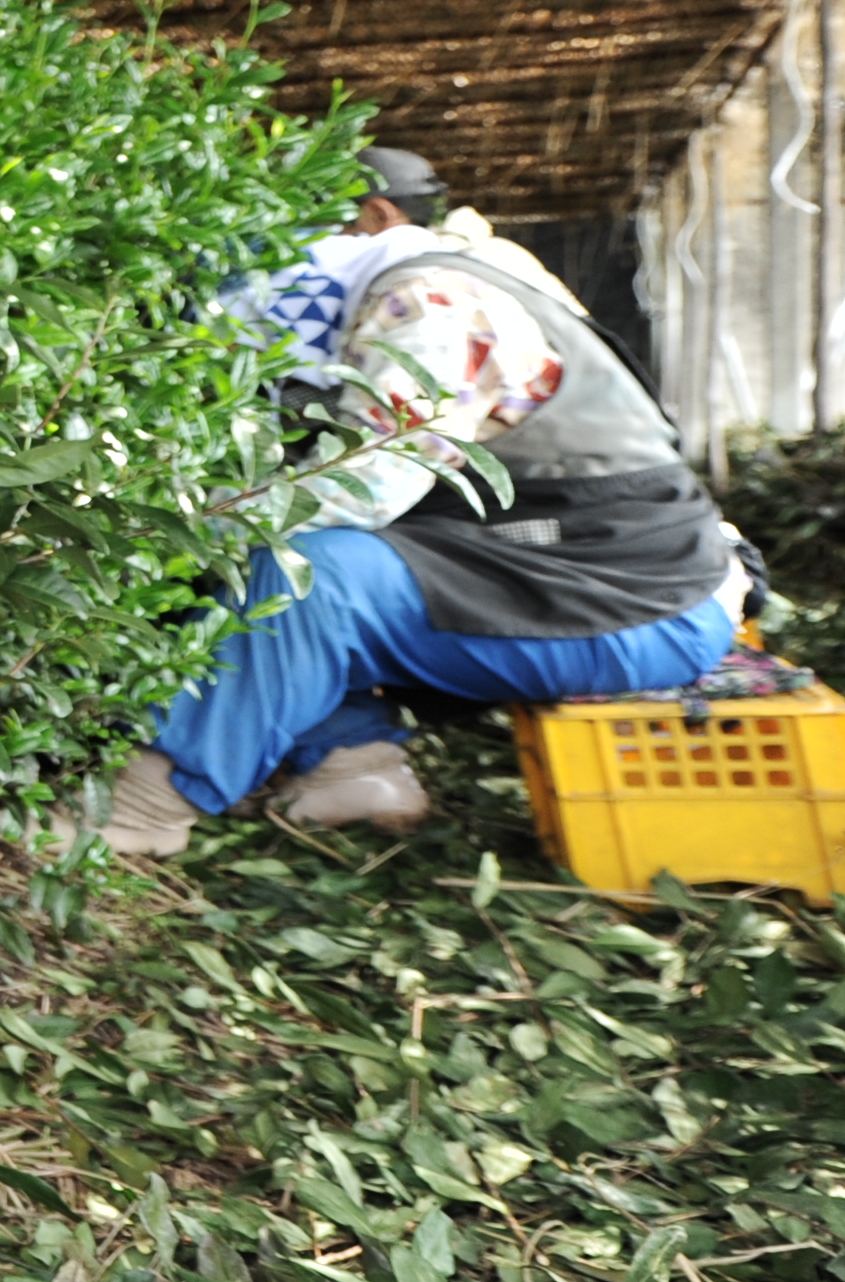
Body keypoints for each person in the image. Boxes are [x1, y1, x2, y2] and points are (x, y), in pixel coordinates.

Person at [103, 145, 742, 857]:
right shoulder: (453, 273)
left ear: (372, 218)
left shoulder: (433, 301)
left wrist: (169, 530)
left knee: (306, 577)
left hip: (631, 602)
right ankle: (354, 767)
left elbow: (366, 484)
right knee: (294, 554)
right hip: (580, 577)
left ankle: (141, 810)